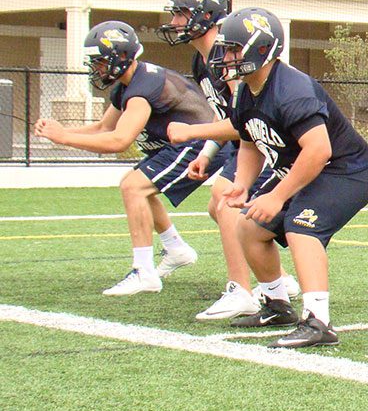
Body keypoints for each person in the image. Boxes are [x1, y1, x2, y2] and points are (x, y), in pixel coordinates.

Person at [211, 7, 368, 348]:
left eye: (234, 49)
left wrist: (275, 196)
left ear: (260, 48)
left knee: (301, 225)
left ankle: (319, 321)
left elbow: (318, 151)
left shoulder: (292, 89)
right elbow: (249, 140)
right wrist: (243, 182)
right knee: (248, 226)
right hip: (308, 169)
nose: (227, 57)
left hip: (345, 172)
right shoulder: (247, 90)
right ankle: (276, 304)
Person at [34, 21, 228, 295]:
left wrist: (63, 138)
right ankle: (175, 249)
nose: (97, 68)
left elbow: (118, 141)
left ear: (121, 56)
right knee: (136, 185)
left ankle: (144, 272)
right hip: (181, 143)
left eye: (100, 61)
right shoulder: (127, 85)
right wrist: (61, 132)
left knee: (134, 186)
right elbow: (104, 128)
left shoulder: (142, 87)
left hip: (199, 143)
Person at [158, 0, 298, 320]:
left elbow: (247, 120)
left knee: (226, 202)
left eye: (181, 12)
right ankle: (277, 278)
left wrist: (192, 132)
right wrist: (207, 154)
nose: (175, 21)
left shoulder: (232, 56)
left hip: (273, 140)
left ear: (204, 15)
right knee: (216, 206)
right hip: (252, 139)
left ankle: (242, 291)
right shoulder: (203, 61)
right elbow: (233, 117)